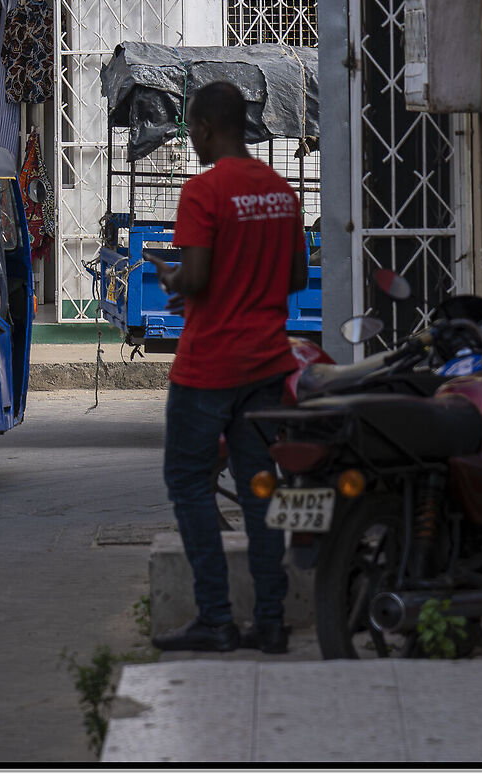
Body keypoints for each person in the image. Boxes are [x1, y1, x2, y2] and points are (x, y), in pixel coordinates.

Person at [150, 80, 309, 656]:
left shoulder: (203, 192)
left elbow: (194, 277)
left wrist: (174, 281)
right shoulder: (280, 192)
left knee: (188, 483)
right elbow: (294, 279)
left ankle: (215, 617)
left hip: (209, 367)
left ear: (206, 128)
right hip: (268, 363)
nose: (191, 138)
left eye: (192, 128)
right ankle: (270, 621)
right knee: (261, 490)